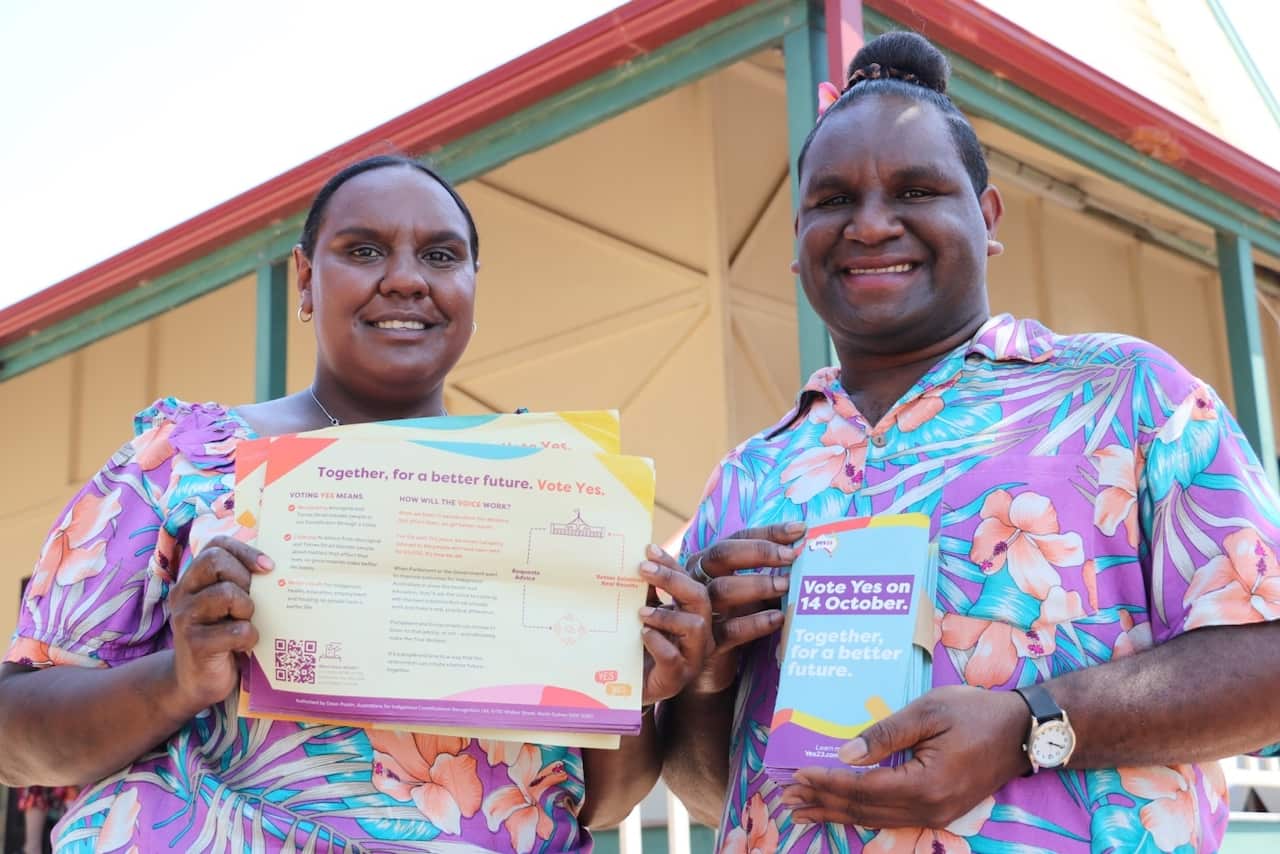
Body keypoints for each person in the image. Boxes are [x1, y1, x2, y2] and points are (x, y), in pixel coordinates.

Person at [660, 31, 1280, 854]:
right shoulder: (750, 476)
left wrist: (1031, 728)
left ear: (986, 219)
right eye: (834, 200)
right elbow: (717, 793)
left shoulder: (1125, 395)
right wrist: (706, 672)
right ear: (798, 236)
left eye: (915, 191)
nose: (871, 225)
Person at [0, 154, 712, 852]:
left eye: (440, 256)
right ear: (306, 280)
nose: (404, 279)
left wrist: (632, 695)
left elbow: (602, 802)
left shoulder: (554, 488)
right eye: (364, 249)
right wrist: (178, 679)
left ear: (471, 285)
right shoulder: (183, 461)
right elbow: (14, 738)